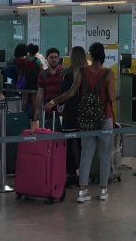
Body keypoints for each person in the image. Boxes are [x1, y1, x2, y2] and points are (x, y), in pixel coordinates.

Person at [46, 42, 117, 203]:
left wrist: (53, 102)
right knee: (104, 154)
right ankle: (103, 189)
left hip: (86, 118)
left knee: (86, 153)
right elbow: (112, 97)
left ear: (90, 55)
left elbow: (71, 92)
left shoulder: (82, 71)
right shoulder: (109, 73)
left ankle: (83, 191)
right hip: (105, 117)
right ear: (103, 56)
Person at [60, 46, 88, 185]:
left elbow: (66, 92)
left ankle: (71, 172)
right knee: (82, 144)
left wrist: (55, 102)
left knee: (68, 142)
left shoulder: (68, 73)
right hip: (85, 111)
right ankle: (83, 172)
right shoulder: (89, 73)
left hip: (70, 110)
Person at [33, 47, 64, 126]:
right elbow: (40, 93)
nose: (54, 60)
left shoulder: (64, 73)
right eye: (51, 57)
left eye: (56, 57)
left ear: (59, 58)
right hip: (48, 110)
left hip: (62, 110)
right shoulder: (43, 74)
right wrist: (37, 110)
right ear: (47, 59)